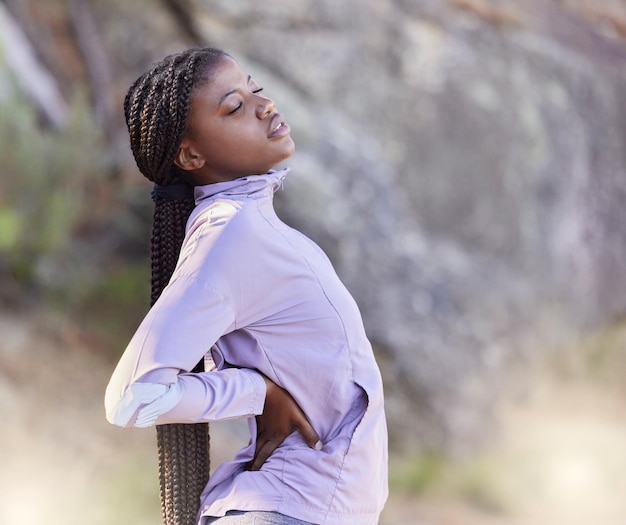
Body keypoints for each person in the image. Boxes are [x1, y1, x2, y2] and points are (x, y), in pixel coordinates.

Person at [104, 47, 388, 525]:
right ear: (191, 154)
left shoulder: (248, 226)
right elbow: (131, 397)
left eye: (254, 89)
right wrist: (257, 392)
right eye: (234, 107)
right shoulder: (230, 235)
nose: (265, 105)